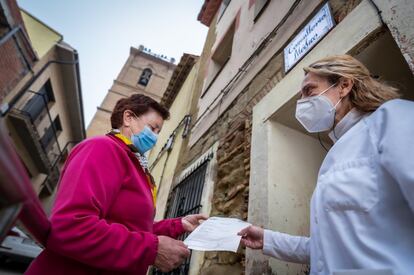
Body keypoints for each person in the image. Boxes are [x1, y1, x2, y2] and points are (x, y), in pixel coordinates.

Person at [239, 55, 414, 275]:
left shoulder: (393, 119)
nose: (301, 102)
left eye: (309, 90)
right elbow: (327, 248)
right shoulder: (336, 153)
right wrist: (267, 239)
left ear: (343, 85)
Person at [26, 94, 207, 275]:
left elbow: (133, 229)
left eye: (158, 132)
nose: (155, 137)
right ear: (128, 118)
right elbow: (70, 227)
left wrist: (177, 225)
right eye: (153, 128)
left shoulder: (136, 166)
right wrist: (151, 249)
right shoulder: (102, 148)